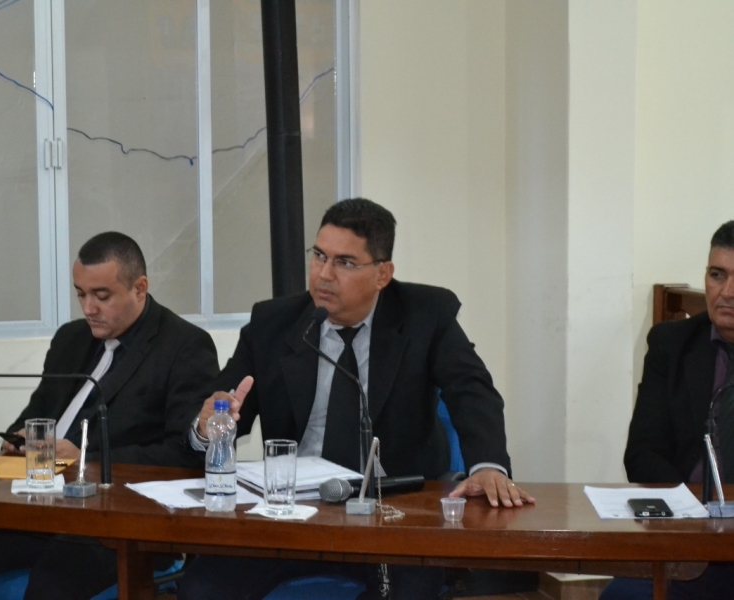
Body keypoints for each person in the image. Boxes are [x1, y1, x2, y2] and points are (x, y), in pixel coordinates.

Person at [178, 198, 533, 599]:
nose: (324, 274)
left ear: (383, 273)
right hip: (291, 515)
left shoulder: (425, 315)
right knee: (201, 589)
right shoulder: (273, 324)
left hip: (392, 516)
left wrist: (487, 466)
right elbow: (225, 406)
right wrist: (207, 428)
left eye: (345, 262)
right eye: (319, 256)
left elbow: (472, 391)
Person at [0, 232, 220, 600]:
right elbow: (36, 413)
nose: (88, 308)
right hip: (37, 511)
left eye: (101, 296)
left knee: (50, 588)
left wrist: (85, 459)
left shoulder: (184, 346)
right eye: (81, 294)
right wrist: (20, 439)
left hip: (115, 524)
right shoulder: (71, 339)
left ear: (139, 288)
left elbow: (183, 455)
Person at [600, 221, 734, 600]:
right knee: (622, 596)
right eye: (717, 275)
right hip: (687, 534)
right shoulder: (672, 344)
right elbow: (642, 454)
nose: (727, 293)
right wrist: (692, 512)